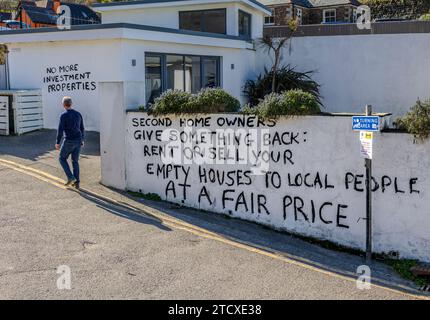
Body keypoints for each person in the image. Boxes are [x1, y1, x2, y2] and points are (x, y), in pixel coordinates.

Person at [55, 96, 85, 189]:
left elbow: (60, 130)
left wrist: (57, 142)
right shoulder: (78, 114)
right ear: (71, 104)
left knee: (61, 158)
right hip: (78, 140)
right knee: (75, 161)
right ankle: (77, 183)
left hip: (69, 140)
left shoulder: (63, 116)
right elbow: (82, 128)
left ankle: (71, 177)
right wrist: (82, 139)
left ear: (63, 105)